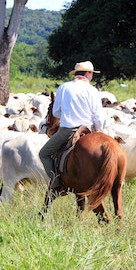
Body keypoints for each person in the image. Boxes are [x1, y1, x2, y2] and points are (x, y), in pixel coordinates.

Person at [39, 60, 105, 193]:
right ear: (87, 73)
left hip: (68, 131)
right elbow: (98, 117)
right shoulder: (92, 90)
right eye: (92, 73)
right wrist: (98, 132)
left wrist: (68, 111)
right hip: (89, 130)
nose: (92, 76)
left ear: (77, 73)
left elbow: (56, 112)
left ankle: (57, 183)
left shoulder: (64, 87)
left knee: (44, 154)